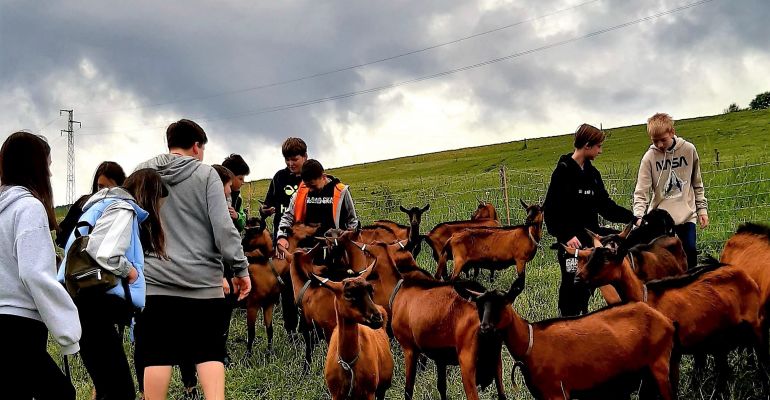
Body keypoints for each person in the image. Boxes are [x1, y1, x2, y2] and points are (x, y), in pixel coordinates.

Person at [133, 119, 251, 400]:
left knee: (157, 356)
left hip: (155, 283)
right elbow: (223, 228)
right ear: (197, 146)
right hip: (204, 285)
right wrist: (240, 268)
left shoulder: (142, 172)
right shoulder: (206, 174)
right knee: (209, 353)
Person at [57, 168, 166, 400]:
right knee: (120, 391)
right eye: (159, 201)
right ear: (149, 194)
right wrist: (130, 271)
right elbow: (103, 252)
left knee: (109, 387)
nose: (160, 209)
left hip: (84, 302)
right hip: (96, 306)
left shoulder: (99, 207)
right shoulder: (122, 208)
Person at [0, 132, 82, 399]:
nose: (50, 173)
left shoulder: (5, 209)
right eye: (47, 164)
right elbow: (34, 273)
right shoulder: (28, 208)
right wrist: (68, 331)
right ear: (35, 167)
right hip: (20, 325)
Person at [543, 124, 639, 317]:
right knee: (573, 285)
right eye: (598, 147)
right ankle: (567, 323)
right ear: (587, 145)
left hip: (592, 239)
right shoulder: (562, 173)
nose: (600, 151)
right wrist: (566, 235)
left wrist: (632, 219)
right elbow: (551, 211)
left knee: (589, 285)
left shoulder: (593, 175)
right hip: (572, 242)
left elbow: (605, 206)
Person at [633, 112, 708, 268]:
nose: (659, 145)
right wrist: (638, 216)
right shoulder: (649, 158)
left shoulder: (688, 150)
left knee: (690, 253)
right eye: (655, 141)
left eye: (663, 140)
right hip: (660, 218)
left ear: (672, 132)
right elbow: (641, 191)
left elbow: (697, 183)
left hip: (686, 215)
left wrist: (702, 210)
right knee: (662, 262)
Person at [260, 137, 307, 334]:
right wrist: (265, 211)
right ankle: (291, 329)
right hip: (283, 242)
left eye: (294, 159)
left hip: (307, 241)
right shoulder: (279, 178)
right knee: (287, 287)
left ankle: (310, 326)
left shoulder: (311, 177)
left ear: (305, 156)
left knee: (308, 282)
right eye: (287, 159)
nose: (290, 164)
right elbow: (267, 204)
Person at [276, 159, 359, 252]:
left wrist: (346, 237)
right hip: (305, 251)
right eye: (307, 186)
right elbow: (288, 216)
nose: (310, 190)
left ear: (323, 177)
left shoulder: (341, 192)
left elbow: (352, 221)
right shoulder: (301, 192)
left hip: (335, 251)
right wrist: (281, 236)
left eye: (313, 186)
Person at [56, 161, 126, 248]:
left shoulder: (125, 211)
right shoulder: (83, 206)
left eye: (110, 188)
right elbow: (62, 235)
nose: (105, 192)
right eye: (101, 186)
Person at [221, 154, 249, 232]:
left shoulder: (238, 198)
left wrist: (237, 216)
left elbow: (242, 223)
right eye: (240, 178)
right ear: (229, 177)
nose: (243, 182)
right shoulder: (215, 194)